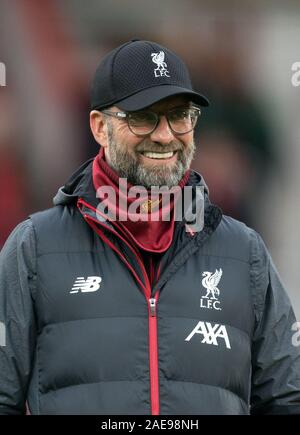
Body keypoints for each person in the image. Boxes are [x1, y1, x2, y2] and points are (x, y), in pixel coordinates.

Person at [0, 39, 299, 416]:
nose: (164, 135)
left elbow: (288, 398)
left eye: (180, 115)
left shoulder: (245, 253)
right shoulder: (34, 249)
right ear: (99, 127)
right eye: (143, 116)